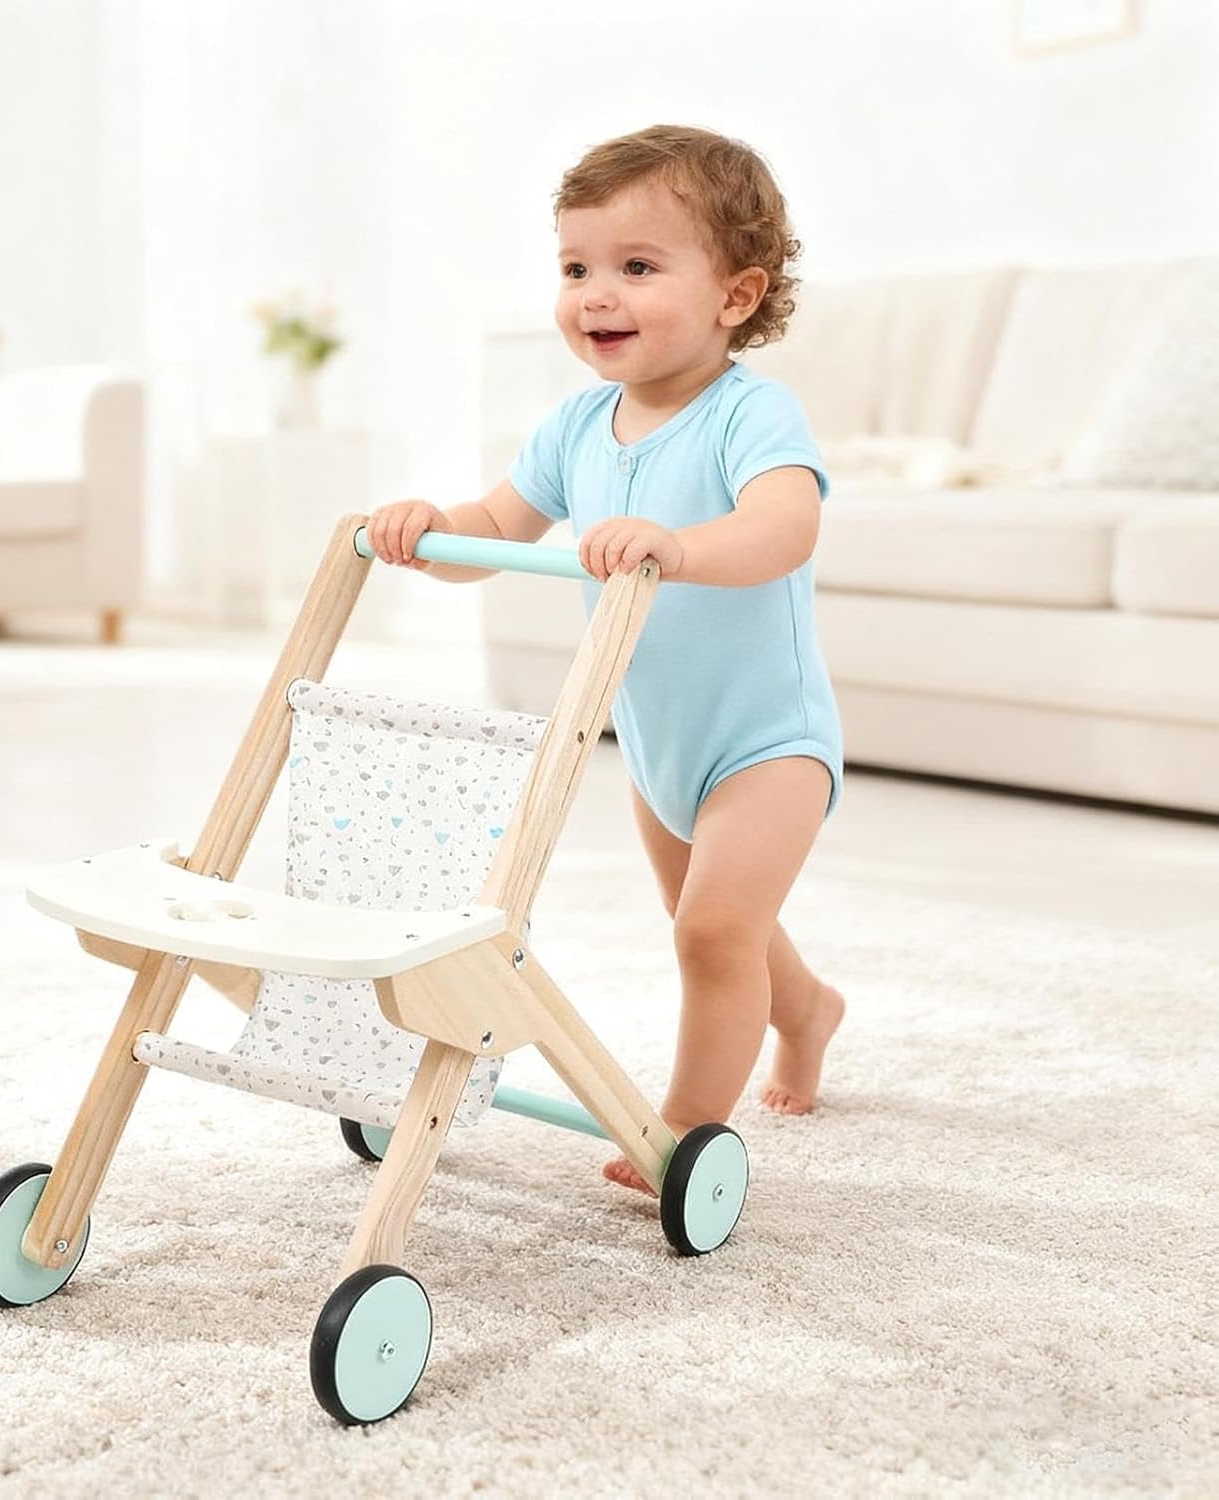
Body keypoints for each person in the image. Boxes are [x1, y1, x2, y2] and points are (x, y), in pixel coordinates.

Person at [365, 124, 845, 1194]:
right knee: (714, 922)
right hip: (657, 743)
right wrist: (427, 530)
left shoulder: (749, 414)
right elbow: (494, 526)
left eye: (636, 267)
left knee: (712, 933)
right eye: (576, 269)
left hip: (769, 742)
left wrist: (680, 547)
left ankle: (683, 1128)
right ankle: (807, 1009)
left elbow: (786, 526)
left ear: (735, 296)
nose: (596, 296)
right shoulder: (577, 425)